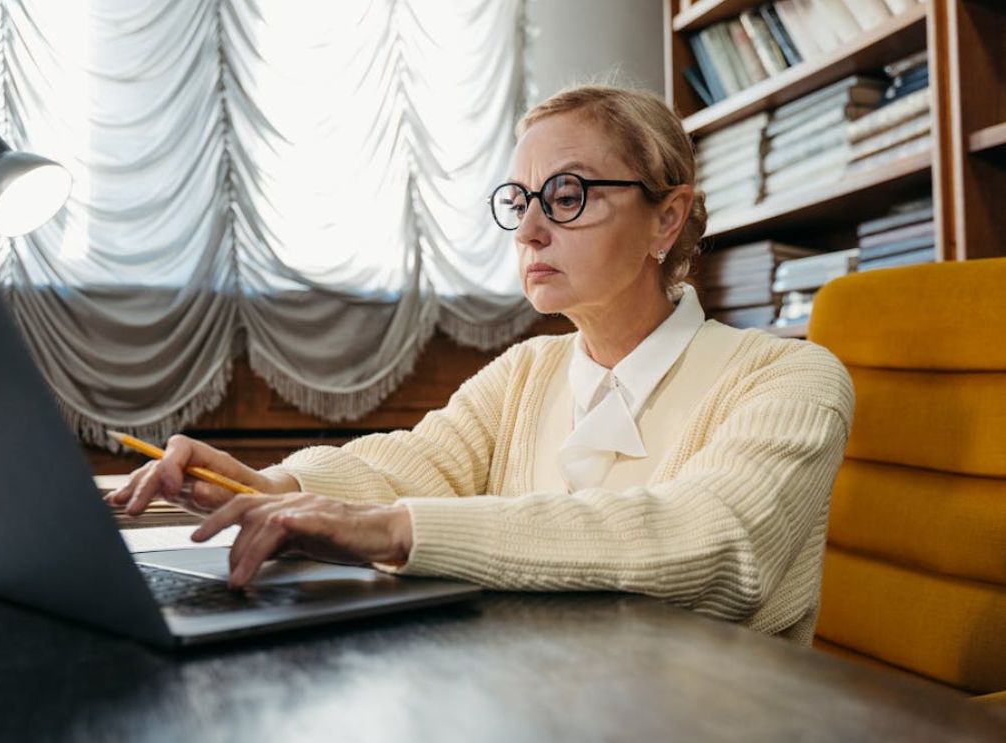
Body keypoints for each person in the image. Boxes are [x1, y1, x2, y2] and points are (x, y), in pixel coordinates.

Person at [107, 84, 854, 645]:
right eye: (519, 198)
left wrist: (389, 530)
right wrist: (267, 486)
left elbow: (710, 542)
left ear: (666, 216)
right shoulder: (526, 369)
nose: (527, 230)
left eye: (565, 195)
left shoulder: (791, 377)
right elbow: (411, 463)